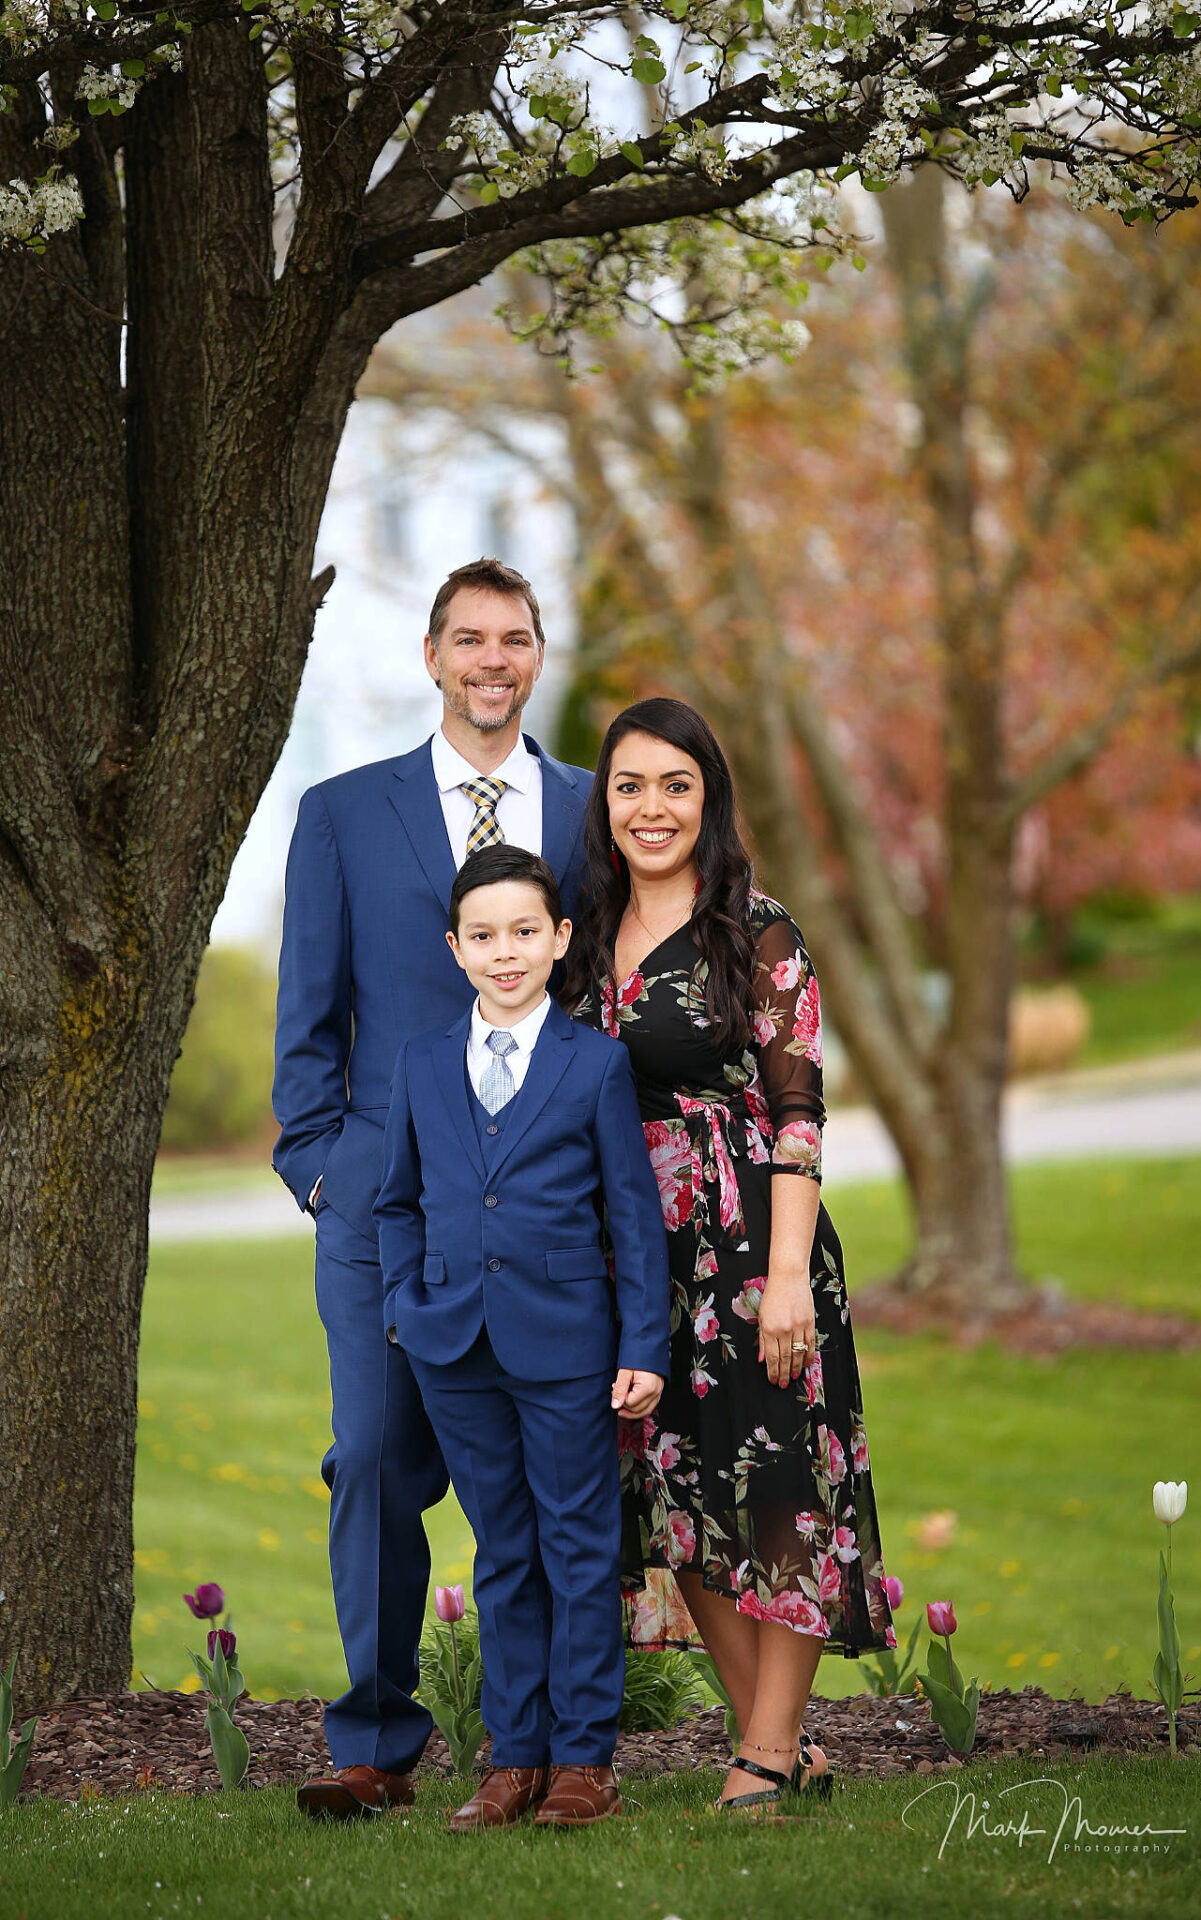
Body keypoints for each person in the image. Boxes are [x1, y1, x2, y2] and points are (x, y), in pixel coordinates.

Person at [272, 558, 593, 1819]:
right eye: (468, 638)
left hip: (549, 1208)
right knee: (374, 1457)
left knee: (556, 1477)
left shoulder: (585, 811)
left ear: (536, 655)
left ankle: (564, 1747)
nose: (491, 660)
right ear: (430, 656)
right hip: (380, 1206)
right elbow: (310, 1023)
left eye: (513, 638)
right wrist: (323, 1176)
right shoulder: (346, 813)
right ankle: (375, 1746)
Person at [562, 695, 896, 1815]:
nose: (650, 809)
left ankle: (758, 1752)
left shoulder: (756, 929)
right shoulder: (575, 931)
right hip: (629, 1250)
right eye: (629, 786)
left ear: (708, 800)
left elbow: (799, 1114)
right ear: (603, 803)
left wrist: (788, 1275)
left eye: (675, 786)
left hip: (752, 1239)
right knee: (673, 1490)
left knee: (779, 1490)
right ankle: (779, 1738)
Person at [374, 845, 671, 1829]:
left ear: (560, 940)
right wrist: (409, 1309)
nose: (506, 954)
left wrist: (642, 1347)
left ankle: (584, 1761)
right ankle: (515, 1758)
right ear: (455, 948)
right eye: (484, 936)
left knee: (578, 1547)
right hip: (453, 1347)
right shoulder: (419, 1063)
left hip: (568, 1346)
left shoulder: (594, 1064)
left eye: (524, 933)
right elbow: (398, 1202)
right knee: (502, 1552)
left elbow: (631, 1218)